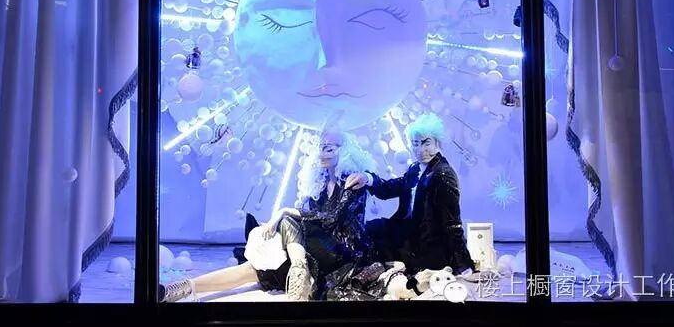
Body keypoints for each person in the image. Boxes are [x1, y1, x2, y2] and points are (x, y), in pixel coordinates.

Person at [159, 125, 376, 302]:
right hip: (317, 250)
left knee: (287, 218)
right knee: (257, 267)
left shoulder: (353, 180)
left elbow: (334, 219)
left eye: (329, 148)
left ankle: (299, 270)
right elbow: (313, 224)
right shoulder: (319, 185)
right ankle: (181, 289)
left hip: (345, 252)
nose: (322, 152)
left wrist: (287, 213)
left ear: (345, 151)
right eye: (320, 146)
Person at [345, 112, 475, 275]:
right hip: (405, 230)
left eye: (426, 143)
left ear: (437, 143)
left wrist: (463, 264)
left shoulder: (443, 174)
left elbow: (452, 223)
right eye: (415, 144)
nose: (420, 150)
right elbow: (389, 189)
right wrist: (367, 178)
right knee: (368, 229)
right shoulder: (415, 168)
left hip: (427, 241)